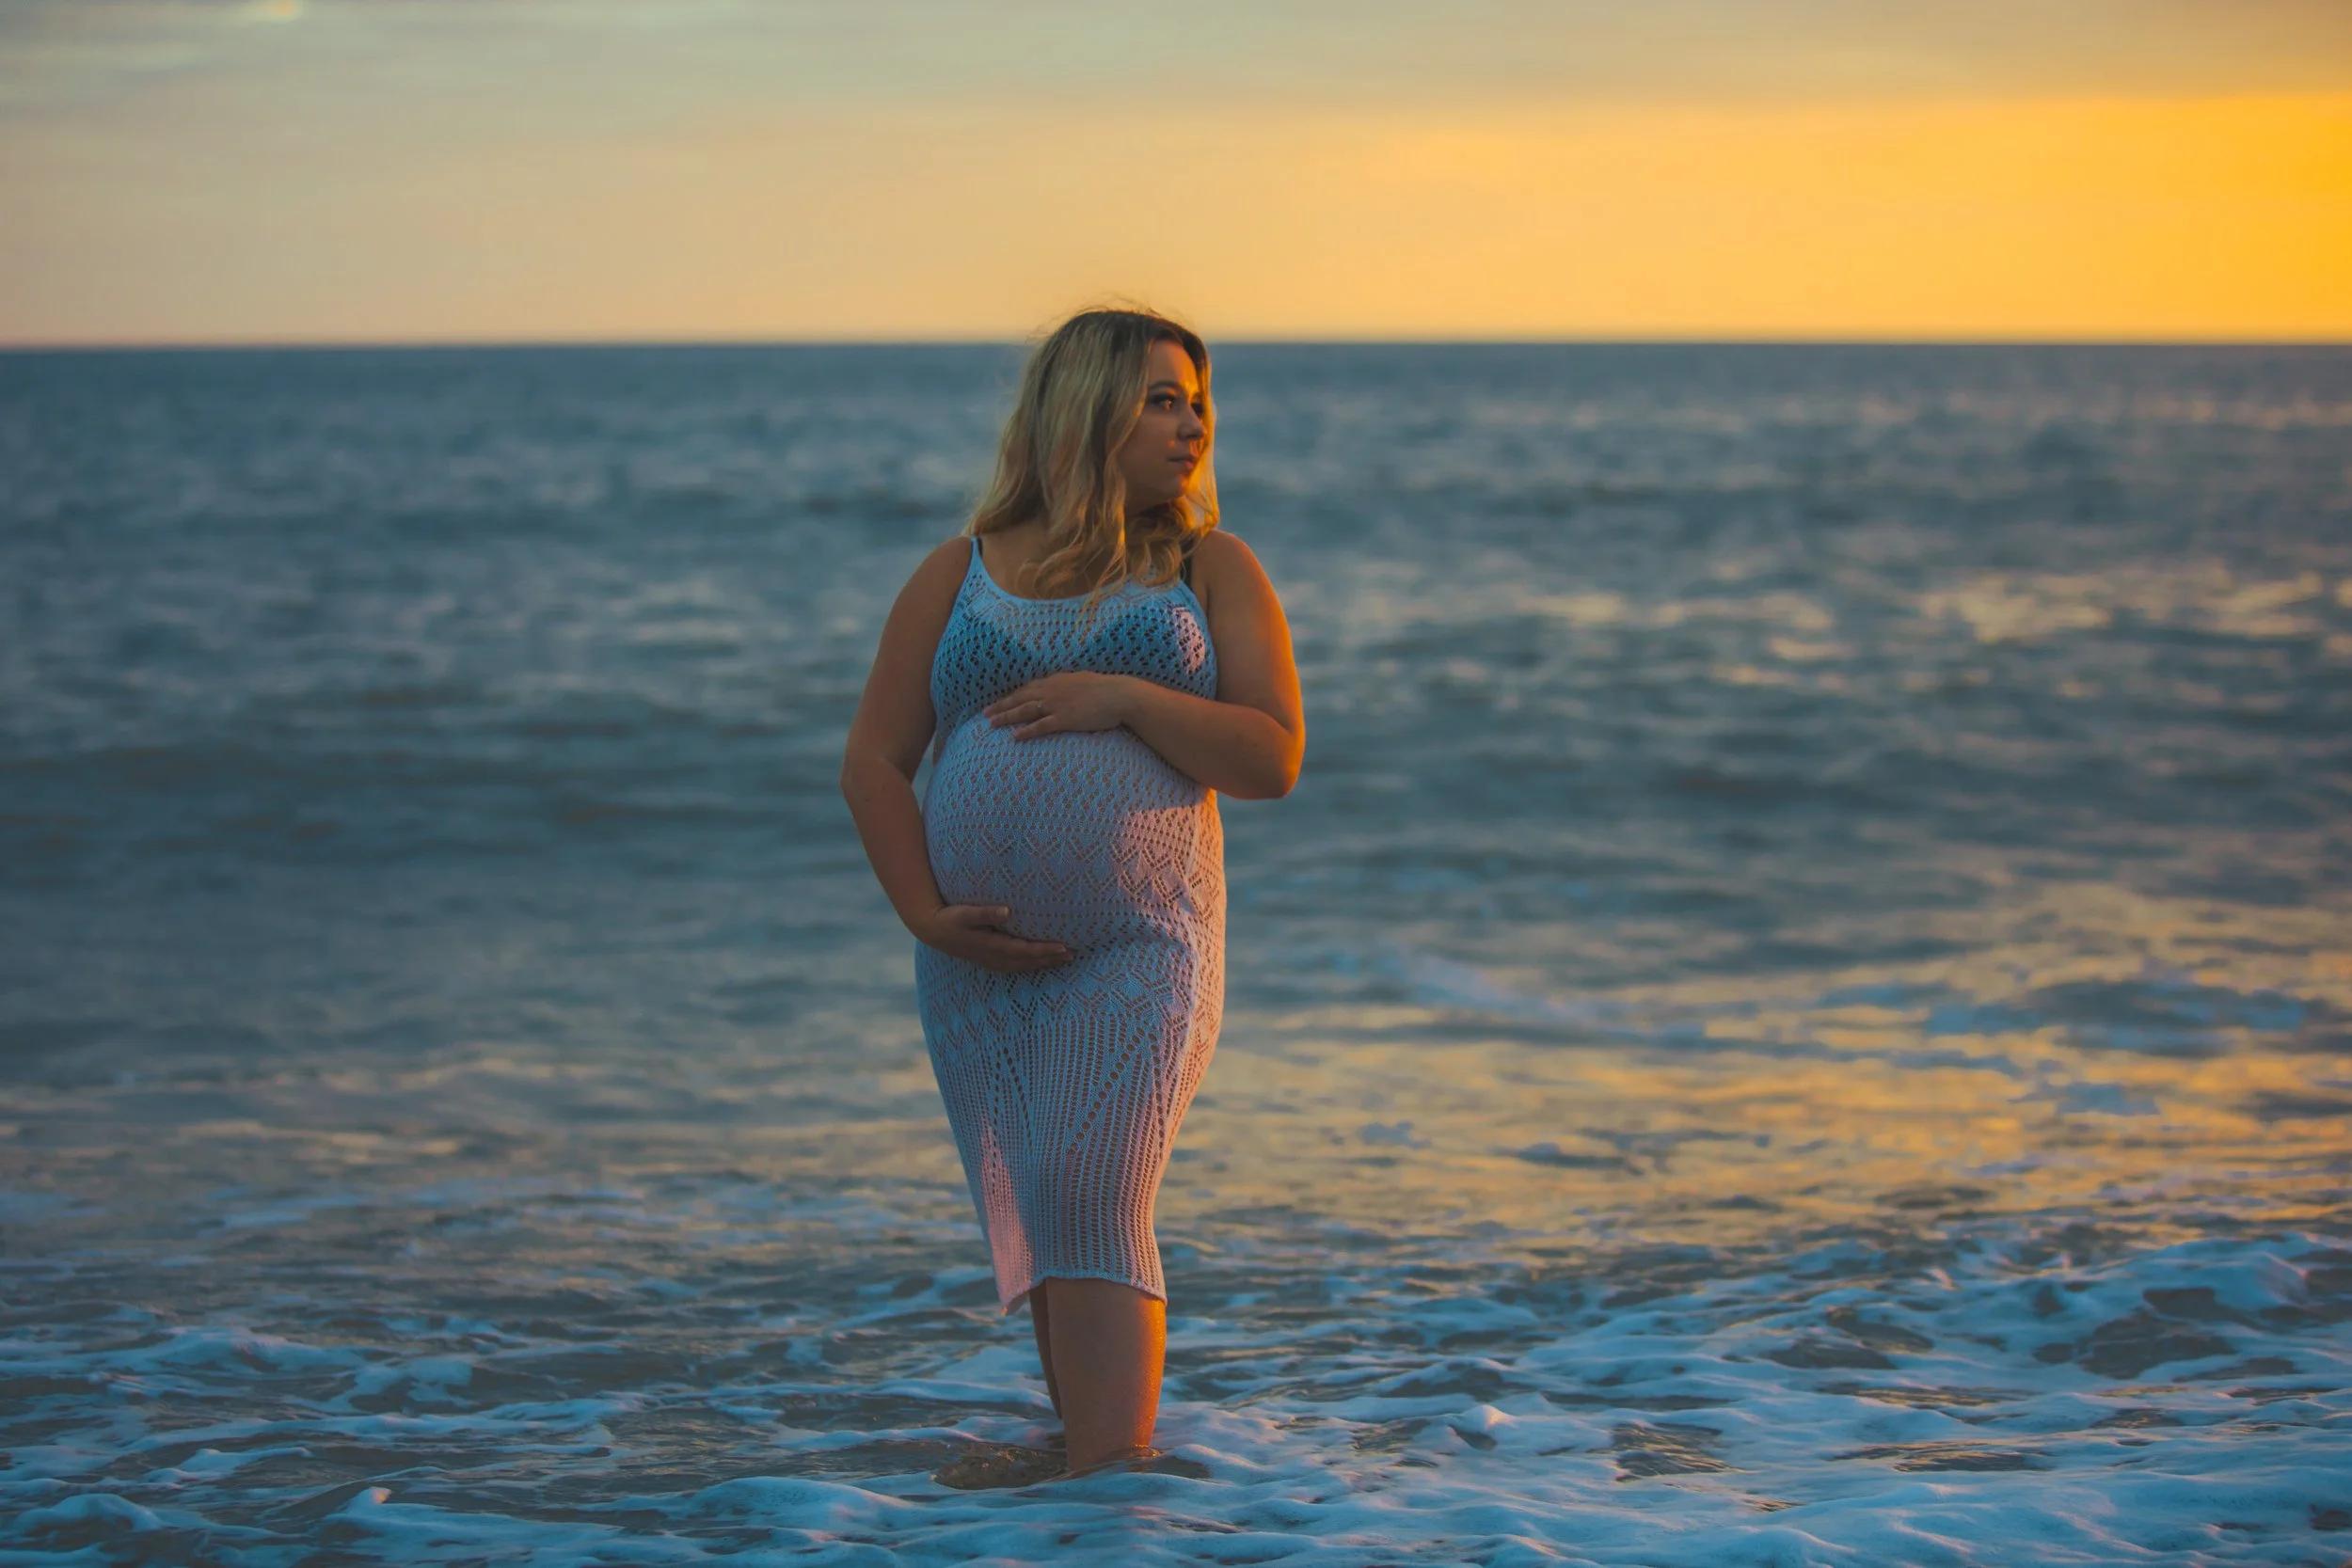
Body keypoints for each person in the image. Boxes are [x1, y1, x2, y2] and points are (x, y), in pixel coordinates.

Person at [839, 307, 1303, 1482]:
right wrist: (923, 912)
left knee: (1094, 1180)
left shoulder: (1209, 566)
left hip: (1143, 937)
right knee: (1049, 1192)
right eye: (1161, 397)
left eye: (1198, 400)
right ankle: (1087, 1467)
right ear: (1084, 408)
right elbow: (875, 760)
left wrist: (1128, 699)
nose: (1192, 422)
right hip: (974, 957)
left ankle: (1112, 1476)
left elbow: (1269, 756)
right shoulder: (962, 569)